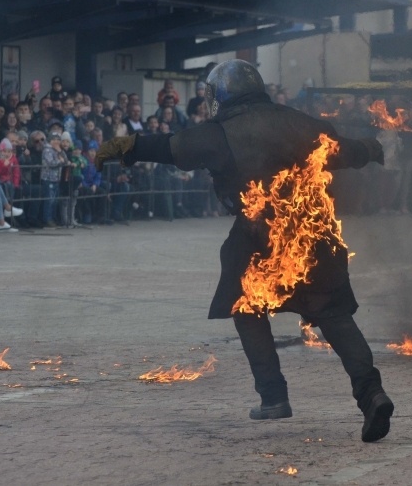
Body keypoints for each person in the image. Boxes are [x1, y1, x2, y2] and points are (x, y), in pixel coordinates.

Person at [96, 59, 393, 443]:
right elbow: (346, 150)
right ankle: (372, 394)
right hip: (315, 233)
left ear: (219, 95)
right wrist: (372, 147)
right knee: (333, 315)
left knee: (246, 305)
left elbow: (172, 148)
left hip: (261, 238)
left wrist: (129, 146)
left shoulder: (222, 133)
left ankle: (273, 395)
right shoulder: (302, 122)